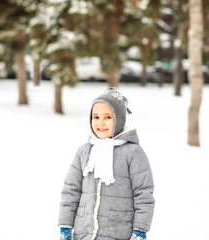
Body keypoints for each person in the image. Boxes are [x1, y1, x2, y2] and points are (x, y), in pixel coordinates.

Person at [58, 87, 155, 240]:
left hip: (119, 233)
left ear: (119, 119)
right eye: (95, 117)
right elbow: (71, 190)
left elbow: (144, 194)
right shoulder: (84, 151)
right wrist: (65, 225)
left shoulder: (133, 152)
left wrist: (140, 229)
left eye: (108, 117)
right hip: (84, 233)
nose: (101, 122)